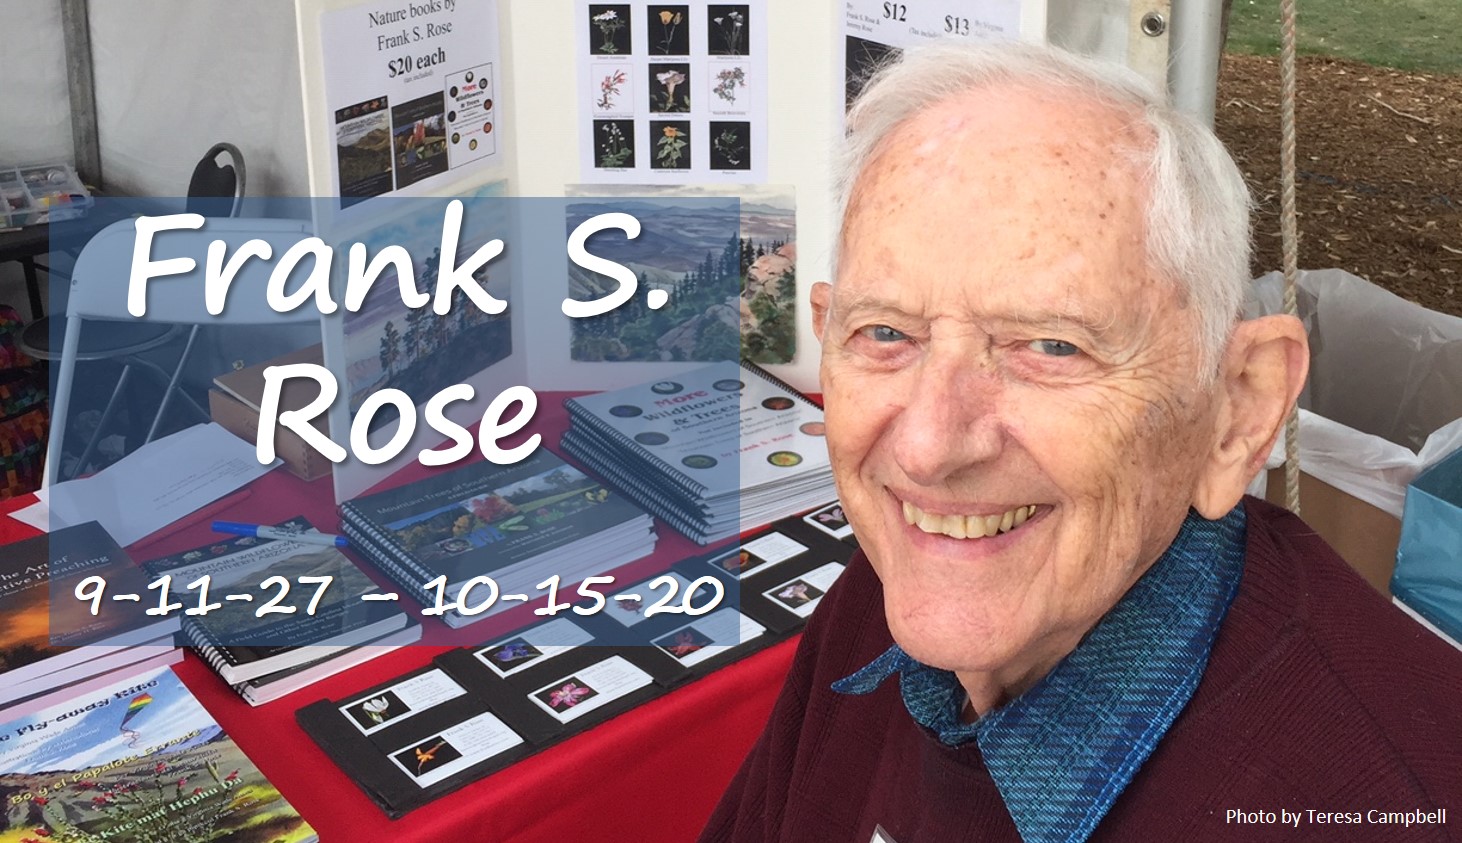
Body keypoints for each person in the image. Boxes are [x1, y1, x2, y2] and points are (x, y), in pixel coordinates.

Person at [700, 41, 1462, 843]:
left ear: (1237, 410)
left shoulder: (1395, 801)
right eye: (885, 332)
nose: (928, 447)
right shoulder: (891, 589)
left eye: (1051, 347)